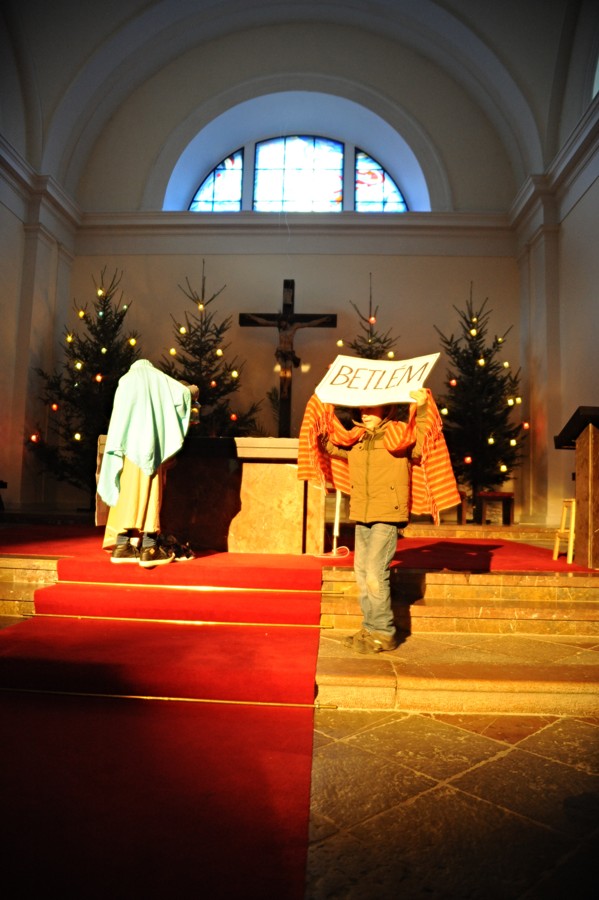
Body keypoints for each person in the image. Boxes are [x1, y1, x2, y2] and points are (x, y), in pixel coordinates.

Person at [298, 387, 460, 655]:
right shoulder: (356, 438)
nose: (365, 413)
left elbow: (422, 444)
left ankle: (384, 632)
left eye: (371, 408)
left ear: (385, 409)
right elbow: (329, 445)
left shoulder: (399, 434)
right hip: (362, 514)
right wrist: (321, 408)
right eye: (362, 408)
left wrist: (421, 408)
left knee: (375, 574)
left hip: (388, 515)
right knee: (363, 575)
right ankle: (369, 628)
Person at [97, 359, 198, 568]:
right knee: (149, 493)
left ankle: (123, 545)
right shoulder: (158, 379)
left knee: (125, 495)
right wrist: (194, 390)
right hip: (149, 446)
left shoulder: (126, 380)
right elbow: (185, 394)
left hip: (126, 448)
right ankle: (150, 548)